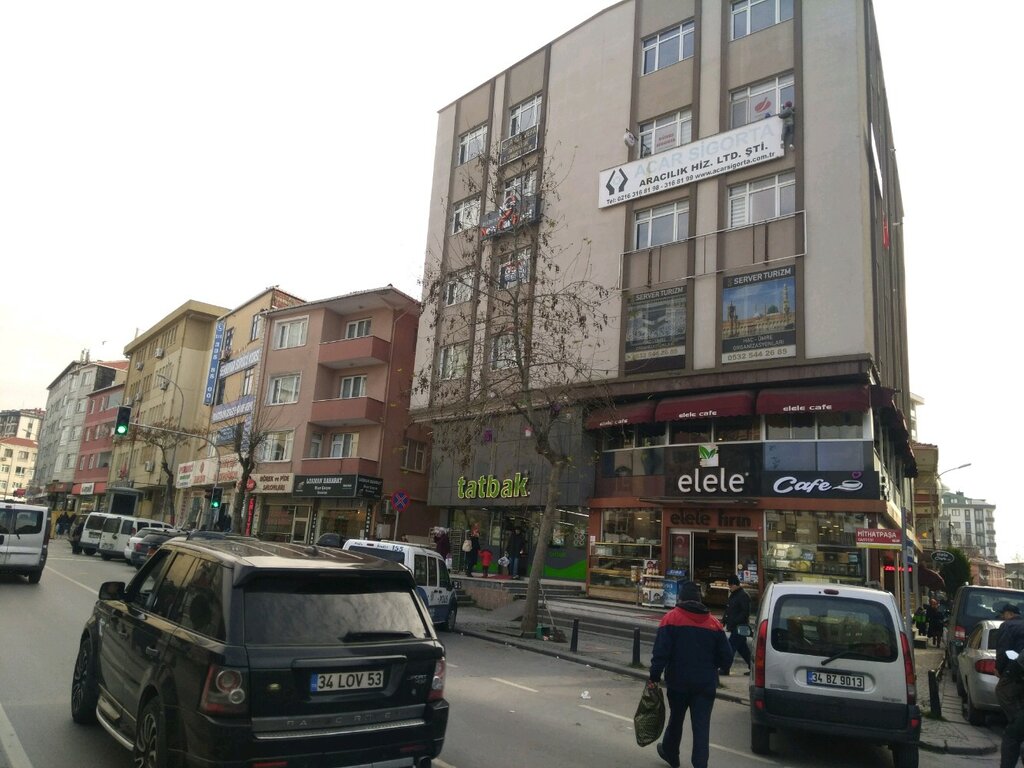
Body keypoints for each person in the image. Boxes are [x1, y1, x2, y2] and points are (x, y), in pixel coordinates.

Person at [648, 580, 733, 768]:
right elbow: (727, 658)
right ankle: (700, 764)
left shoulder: (671, 619)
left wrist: (654, 677)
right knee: (701, 727)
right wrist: (712, 667)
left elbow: (660, 652)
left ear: (681, 599)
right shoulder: (714, 624)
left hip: (678, 682)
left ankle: (671, 753)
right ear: (700, 600)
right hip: (705, 684)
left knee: (676, 719)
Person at [995, 602, 1024, 768]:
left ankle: (1015, 719)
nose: (1002, 617)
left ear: (1010, 614)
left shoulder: (1007, 626)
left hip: (1015, 671)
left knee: (1013, 734)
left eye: (1003, 614)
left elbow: (1003, 650)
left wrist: (1000, 669)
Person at [722, 574, 752, 675]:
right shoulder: (734, 595)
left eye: (730, 585)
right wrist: (724, 620)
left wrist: (734, 621)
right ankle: (753, 668)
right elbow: (729, 609)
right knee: (743, 649)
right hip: (736, 626)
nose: (729, 587)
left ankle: (725, 668)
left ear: (735, 585)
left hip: (739, 627)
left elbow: (745, 612)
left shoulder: (743, 595)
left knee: (730, 648)